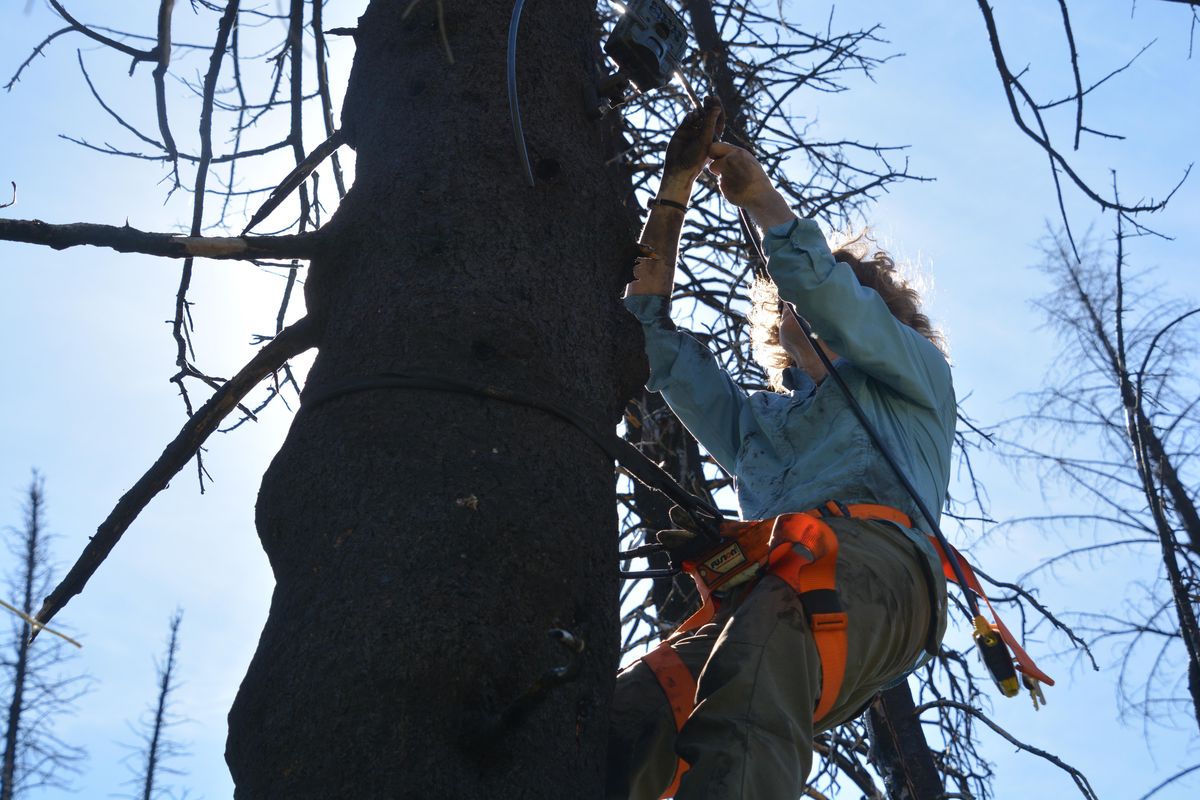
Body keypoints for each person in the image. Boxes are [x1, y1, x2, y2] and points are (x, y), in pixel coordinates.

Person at [607, 97, 955, 800]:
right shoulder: (760, 424)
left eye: (841, 292)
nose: (816, 303)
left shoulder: (914, 374)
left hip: (879, 568)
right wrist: (672, 194)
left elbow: (828, 292)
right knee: (624, 725)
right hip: (768, 591)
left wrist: (760, 197)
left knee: (761, 667)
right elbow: (650, 342)